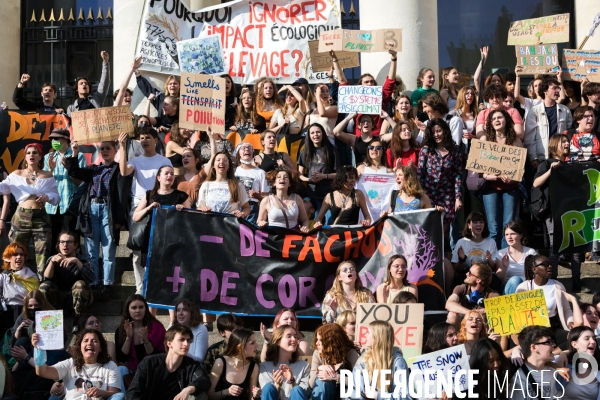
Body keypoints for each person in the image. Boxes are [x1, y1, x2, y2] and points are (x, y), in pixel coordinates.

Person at [65, 139, 126, 301]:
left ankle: (107, 285)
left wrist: (120, 220)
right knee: (91, 251)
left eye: (108, 148)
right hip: (91, 209)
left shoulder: (118, 169)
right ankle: (93, 283)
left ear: (115, 151)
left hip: (108, 210)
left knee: (108, 250)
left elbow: (121, 196)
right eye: (102, 149)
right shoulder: (94, 169)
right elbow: (74, 172)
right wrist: (75, 153)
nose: (104, 151)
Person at [118, 126, 172, 294]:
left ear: (156, 140)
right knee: (137, 248)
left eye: (148, 137)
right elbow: (123, 171)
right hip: (139, 207)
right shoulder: (135, 160)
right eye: (141, 138)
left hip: (161, 206)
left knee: (158, 248)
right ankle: (140, 288)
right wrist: (121, 146)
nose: (144, 140)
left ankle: (157, 286)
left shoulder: (164, 161)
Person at [0, 143, 58, 278]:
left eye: (35, 152)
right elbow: (2, 187)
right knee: (17, 252)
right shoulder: (16, 174)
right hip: (21, 217)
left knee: (43, 253)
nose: (32, 155)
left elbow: (56, 197)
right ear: (25, 157)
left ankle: (42, 288)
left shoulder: (47, 175)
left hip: (41, 218)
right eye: (29, 153)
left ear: (40, 156)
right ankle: (17, 283)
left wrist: (47, 197)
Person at [32, 329, 123, 400]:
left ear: (101, 348)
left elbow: (115, 394)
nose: (89, 343)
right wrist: (38, 348)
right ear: (80, 347)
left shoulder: (110, 366)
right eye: (86, 340)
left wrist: (100, 392)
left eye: (94, 341)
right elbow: (43, 371)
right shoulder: (70, 363)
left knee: (120, 396)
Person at [126, 325, 211, 400]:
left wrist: (187, 389)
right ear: (169, 343)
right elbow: (133, 393)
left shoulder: (191, 365)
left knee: (201, 396)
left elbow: (204, 380)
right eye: (181, 339)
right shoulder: (150, 362)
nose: (186, 344)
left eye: (188, 340)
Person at [480, 109, 523, 248]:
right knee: (493, 227)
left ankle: (506, 259)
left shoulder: (515, 141)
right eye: (494, 119)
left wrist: (513, 179)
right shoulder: (486, 140)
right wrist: (488, 176)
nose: (497, 120)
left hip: (510, 188)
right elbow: (479, 168)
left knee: (508, 226)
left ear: (506, 120)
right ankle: (495, 260)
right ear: (490, 124)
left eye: (500, 117)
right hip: (490, 189)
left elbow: (520, 169)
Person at [38, 231, 95, 332]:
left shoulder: (82, 260)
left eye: (69, 242)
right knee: (44, 286)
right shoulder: (53, 259)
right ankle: (51, 321)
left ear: (76, 245)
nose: (65, 245)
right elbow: (45, 279)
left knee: (80, 285)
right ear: (58, 245)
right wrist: (52, 263)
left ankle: (79, 321)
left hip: (77, 300)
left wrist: (77, 262)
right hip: (59, 299)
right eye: (62, 242)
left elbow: (92, 279)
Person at [333, 48, 396, 136]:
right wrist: (335, 60)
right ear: (360, 85)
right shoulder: (354, 96)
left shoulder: (380, 95)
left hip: (377, 138)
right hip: (359, 138)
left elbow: (390, 80)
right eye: (366, 82)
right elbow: (342, 80)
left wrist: (394, 58)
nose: (370, 84)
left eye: (372, 81)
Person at [516, 255, 575, 349]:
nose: (550, 266)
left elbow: (567, 310)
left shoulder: (557, 286)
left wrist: (570, 322)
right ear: (534, 269)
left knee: (575, 339)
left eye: (550, 264)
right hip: (532, 329)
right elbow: (517, 313)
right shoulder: (523, 288)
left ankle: (557, 353)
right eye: (545, 264)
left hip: (552, 328)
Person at [417, 118, 463, 235]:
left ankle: (443, 252)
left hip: (447, 195)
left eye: (438, 131)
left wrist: (458, 198)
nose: (436, 135)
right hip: (428, 194)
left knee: (445, 229)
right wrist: (419, 195)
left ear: (445, 131)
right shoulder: (426, 150)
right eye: (433, 132)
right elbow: (420, 174)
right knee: (428, 227)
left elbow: (457, 175)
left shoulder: (455, 150)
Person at [533, 134, 569, 280]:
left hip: (568, 211)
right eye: (563, 141)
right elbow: (536, 183)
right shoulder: (546, 163)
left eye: (567, 141)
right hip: (552, 211)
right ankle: (553, 278)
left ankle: (577, 280)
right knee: (555, 244)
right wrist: (551, 170)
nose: (567, 144)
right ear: (555, 145)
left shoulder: (568, 165)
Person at [44, 128, 87, 248]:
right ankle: (54, 265)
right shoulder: (49, 157)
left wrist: (70, 170)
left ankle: (73, 265)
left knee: (71, 240)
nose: (53, 141)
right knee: (53, 242)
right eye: (52, 139)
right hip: (51, 207)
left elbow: (82, 183)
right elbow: (44, 184)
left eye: (56, 138)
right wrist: (51, 170)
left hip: (70, 205)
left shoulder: (78, 156)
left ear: (66, 139)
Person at [349, 320, 410, 400]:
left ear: (378, 337)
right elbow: (355, 395)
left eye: (368, 332)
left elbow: (405, 396)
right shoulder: (363, 361)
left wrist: (378, 395)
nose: (364, 335)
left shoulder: (397, 362)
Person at [115, 294, 166, 387]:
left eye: (141, 307)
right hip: (130, 367)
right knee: (120, 369)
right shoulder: (121, 330)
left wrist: (146, 340)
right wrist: (128, 337)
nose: (138, 311)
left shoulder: (157, 328)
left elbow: (157, 356)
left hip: (150, 368)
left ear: (146, 309)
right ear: (128, 310)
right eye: (134, 308)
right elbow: (121, 358)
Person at [524, 78, 573, 169]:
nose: (558, 90)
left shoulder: (565, 110)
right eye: (554, 88)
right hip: (542, 158)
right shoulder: (534, 111)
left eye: (558, 88)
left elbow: (569, 133)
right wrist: (533, 157)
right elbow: (529, 137)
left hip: (561, 157)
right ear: (545, 91)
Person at [258, 325, 310, 400]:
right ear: (278, 341)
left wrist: (292, 381)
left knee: (297, 390)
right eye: (289, 336)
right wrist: (277, 384)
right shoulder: (265, 366)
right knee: (268, 388)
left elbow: (304, 394)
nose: (294, 339)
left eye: (295, 337)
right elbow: (266, 394)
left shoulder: (304, 366)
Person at [509, 326, 561, 400]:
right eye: (548, 342)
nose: (554, 345)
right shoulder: (513, 372)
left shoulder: (555, 372)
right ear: (534, 347)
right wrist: (516, 350)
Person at [297, 123, 339, 214]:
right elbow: (299, 174)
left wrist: (323, 176)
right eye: (312, 133)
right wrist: (309, 179)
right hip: (312, 194)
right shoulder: (304, 152)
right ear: (309, 136)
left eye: (318, 132)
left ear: (322, 133)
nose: (315, 135)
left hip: (328, 194)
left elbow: (338, 174)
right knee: (312, 218)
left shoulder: (332, 151)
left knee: (328, 220)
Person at [310, 323, 359, 400]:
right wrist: (319, 368)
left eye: (320, 340)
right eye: (317, 340)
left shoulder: (351, 353)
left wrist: (335, 377)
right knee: (323, 380)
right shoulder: (317, 353)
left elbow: (359, 381)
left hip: (343, 394)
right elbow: (311, 384)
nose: (317, 343)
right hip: (325, 394)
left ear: (332, 342)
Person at [198, 146, 250, 218]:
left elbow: (246, 207)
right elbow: (199, 208)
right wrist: (203, 209)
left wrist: (242, 214)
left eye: (225, 160)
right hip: (210, 225)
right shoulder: (206, 185)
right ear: (213, 165)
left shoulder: (238, 184)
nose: (221, 162)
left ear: (229, 166)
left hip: (229, 226)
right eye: (218, 160)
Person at [207, 328, 259, 400]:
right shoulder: (221, 363)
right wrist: (226, 392)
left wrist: (254, 396)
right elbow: (209, 395)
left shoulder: (253, 367)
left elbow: (250, 397)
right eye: (252, 343)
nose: (257, 345)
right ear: (240, 347)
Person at [0, 243, 39, 335]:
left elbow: (36, 294)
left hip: (24, 310)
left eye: (21, 254)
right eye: (15, 254)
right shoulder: (3, 276)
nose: (19, 257)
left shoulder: (31, 276)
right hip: (7, 311)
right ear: (8, 258)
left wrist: (30, 297)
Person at [446, 262, 499, 329]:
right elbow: (449, 304)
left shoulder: (492, 295)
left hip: (481, 330)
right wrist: (471, 313)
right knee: (452, 315)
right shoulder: (461, 288)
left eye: (470, 273)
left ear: (478, 280)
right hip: (462, 327)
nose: (466, 274)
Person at [451, 212, 497, 282]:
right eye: (475, 222)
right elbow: (456, 269)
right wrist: (461, 260)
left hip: (485, 274)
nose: (479, 224)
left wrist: (489, 260)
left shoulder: (491, 242)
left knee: (494, 279)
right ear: (469, 225)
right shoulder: (461, 242)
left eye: (481, 222)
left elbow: (493, 268)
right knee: (459, 278)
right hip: (467, 273)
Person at [495, 221, 537, 295]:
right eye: (507, 234)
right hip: (508, 292)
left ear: (521, 235)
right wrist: (505, 267)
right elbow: (499, 281)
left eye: (513, 234)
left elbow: (536, 276)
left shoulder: (530, 252)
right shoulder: (501, 253)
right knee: (515, 280)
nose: (509, 237)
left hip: (527, 290)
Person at [558, 326, 600, 400]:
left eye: (593, 338)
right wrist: (563, 354)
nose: (593, 342)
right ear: (574, 344)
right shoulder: (564, 363)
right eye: (587, 338)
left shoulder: (597, 370)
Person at [66, 51, 110, 116]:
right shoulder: (71, 108)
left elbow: (104, 82)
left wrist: (105, 62)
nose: (84, 84)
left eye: (86, 83)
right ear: (77, 89)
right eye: (81, 83)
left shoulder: (97, 98)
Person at [235, 143, 269, 225]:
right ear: (238, 153)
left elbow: (266, 198)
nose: (247, 149)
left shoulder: (261, 173)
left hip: (252, 208)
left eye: (249, 148)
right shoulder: (234, 171)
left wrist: (258, 196)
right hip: (235, 207)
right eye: (243, 148)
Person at [174, 299, 209, 363]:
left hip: (192, 367)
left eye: (184, 310)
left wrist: (180, 352)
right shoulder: (173, 329)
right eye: (178, 310)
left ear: (192, 313)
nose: (180, 313)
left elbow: (200, 359)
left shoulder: (201, 329)